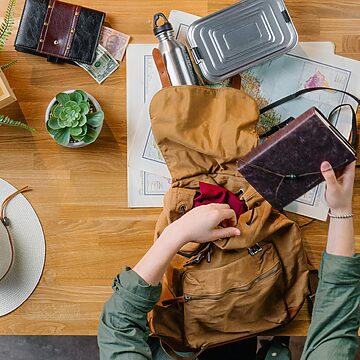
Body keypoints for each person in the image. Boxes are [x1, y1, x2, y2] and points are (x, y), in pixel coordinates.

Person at [98, 161, 360, 359]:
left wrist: (177, 233)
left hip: (182, 338)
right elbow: (335, 319)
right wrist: (340, 210)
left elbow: (120, 326)